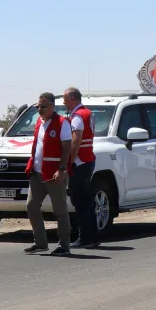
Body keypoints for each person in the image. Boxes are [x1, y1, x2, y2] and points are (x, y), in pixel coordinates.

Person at [23, 92, 72, 256]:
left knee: (60, 210)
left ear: (52, 106)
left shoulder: (62, 123)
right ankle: (40, 243)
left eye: (43, 106)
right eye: (38, 106)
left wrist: (62, 169)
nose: (39, 109)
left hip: (54, 174)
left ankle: (64, 245)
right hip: (37, 172)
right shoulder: (39, 122)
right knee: (31, 206)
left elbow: (66, 147)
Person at [63, 88, 100, 247]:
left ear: (72, 98)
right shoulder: (87, 113)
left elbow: (75, 140)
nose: (64, 103)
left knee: (80, 201)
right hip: (87, 160)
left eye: (65, 99)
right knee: (87, 201)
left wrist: (69, 161)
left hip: (80, 162)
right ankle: (92, 237)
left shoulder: (78, 116)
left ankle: (85, 237)